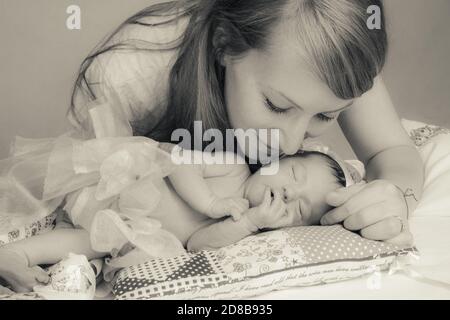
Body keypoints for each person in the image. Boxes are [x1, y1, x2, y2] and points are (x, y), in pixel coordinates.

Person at [66, 0, 422, 247]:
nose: (289, 144)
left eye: (325, 116)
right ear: (224, 45)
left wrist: (396, 197)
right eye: (277, 105)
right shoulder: (125, 75)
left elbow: (390, 150)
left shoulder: (339, 41)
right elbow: (95, 211)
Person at [0, 135, 358, 292]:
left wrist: (248, 223)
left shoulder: (249, 231)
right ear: (278, 160)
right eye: (294, 174)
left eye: (299, 208)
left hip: (124, 228)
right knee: (31, 191)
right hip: (117, 184)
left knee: (88, 242)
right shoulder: (233, 167)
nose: (289, 192)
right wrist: (211, 204)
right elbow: (177, 161)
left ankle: (15, 255)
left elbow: (198, 242)